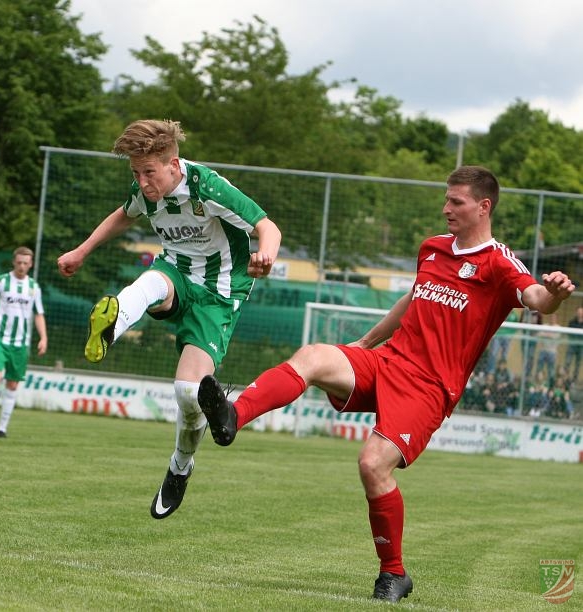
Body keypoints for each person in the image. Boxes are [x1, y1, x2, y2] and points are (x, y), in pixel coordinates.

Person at [195, 166, 575, 602]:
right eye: (446, 199)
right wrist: (367, 342)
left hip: (430, 388)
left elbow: (535, 299)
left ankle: (394, 574)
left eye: (456, 202)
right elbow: (415, 295)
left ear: (484, 207)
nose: (445, 208)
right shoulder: (431, 249)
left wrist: (556, 294)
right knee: (315, 356)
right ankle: (232, 415)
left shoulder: (499, 263)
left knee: (373, 464)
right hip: (389, 361)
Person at [57, 119, 281, 520]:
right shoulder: (147, 191)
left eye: (149, 173)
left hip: (220, 292)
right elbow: (124, 215)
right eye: (136, 174)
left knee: (185, 392)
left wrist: (265, 254)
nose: (143, 183)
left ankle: (180, 466)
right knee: (152, 283)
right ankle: (112, 325)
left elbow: (267, 226)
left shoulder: (207, 186)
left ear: (174, 165)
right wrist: (82, 250)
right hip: (176, 274)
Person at [0, 246, 48, 438]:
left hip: (20, 344)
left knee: (13, 385)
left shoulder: (34, 288)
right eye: (19, 262)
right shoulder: (1, 281)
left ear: (30, 264)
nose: (22, 266)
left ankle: (2, 428)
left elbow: (39, 314)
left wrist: (44, 338)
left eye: (26, 263)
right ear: (13, 262)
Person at [566, 306, 583, 381]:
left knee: (578, 364)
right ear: (576, 313)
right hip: (572, 346)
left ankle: (574, 380)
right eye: (578, 312)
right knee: (568, 362)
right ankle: (565, 378)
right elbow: (569, 334)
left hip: (581, 347)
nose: (579, 314)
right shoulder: (572, 322)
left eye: (581, 312)